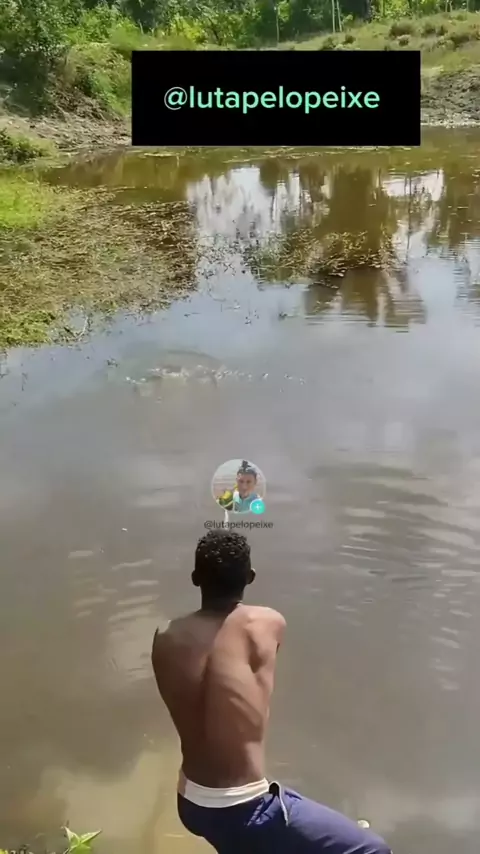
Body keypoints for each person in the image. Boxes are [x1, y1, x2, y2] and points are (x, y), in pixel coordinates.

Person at [151, 530, 392, 854]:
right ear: (250, 577)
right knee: (373, 850)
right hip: (244, 807)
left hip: (191, 802)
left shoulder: (165, 636)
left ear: (195, 579)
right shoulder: (266, 623)